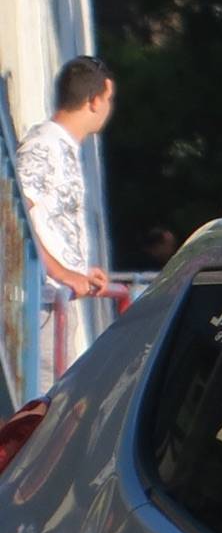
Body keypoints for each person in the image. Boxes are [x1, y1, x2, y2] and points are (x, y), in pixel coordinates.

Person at [16, 56, 115, 378]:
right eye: (109, 99)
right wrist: (61, 273)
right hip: (38, 304)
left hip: (50, 300)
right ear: (94, 100)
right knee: (40, 416)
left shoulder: (62, 146)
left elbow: (48, 220)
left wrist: (79, 271)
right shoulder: (45, 145)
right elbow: (12, 218)